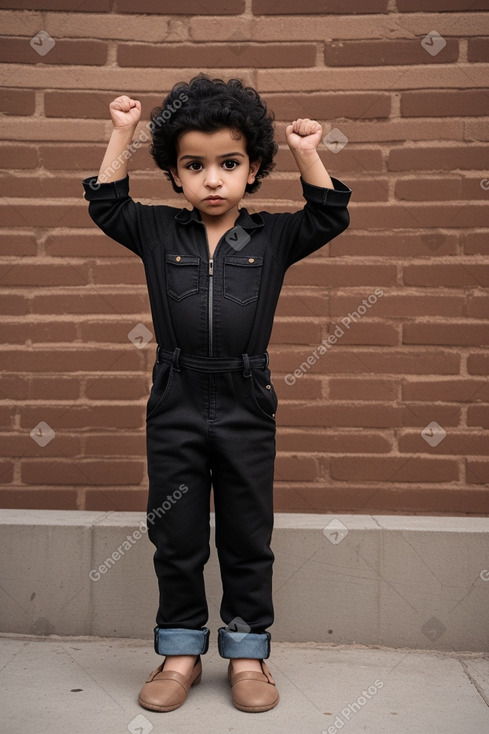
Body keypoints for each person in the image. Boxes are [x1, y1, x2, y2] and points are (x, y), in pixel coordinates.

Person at [82, 73, 352, 714]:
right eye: (193, 165)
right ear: (174, 174)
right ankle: (179, 651)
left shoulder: (273, 237)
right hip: (175, 395)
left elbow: (329, 214)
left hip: (245, 399)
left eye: (228, 164)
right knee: (176, 534)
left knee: (246, 534)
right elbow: (106, 204)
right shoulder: (156, 232)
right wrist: (122, 131)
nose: (211, 180)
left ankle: (248, 653)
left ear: (253, 167)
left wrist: (307, 151)